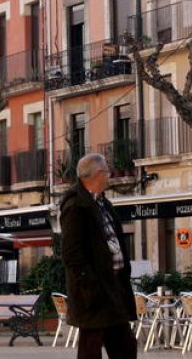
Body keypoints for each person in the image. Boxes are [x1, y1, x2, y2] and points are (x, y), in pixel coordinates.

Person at [59, 153, 138, 359]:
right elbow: (71, 252)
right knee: (91, 346)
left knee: (125, 345)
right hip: (94, 291)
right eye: (107, 172)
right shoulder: (76, 206)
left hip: (113, 285)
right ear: (98, 174)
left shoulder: (103, 203)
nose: (109, 176)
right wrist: (90, 284)